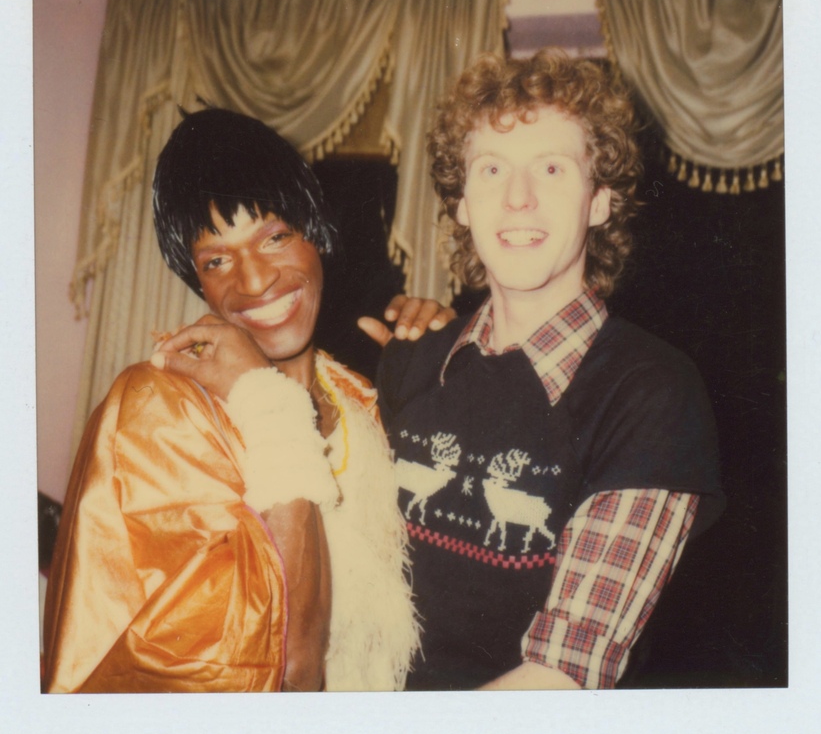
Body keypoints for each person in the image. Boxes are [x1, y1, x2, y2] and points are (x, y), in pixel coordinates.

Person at [373, 50, 725, 691]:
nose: (518, 197)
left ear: (599, 201)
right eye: (491, 168)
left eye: (553, 168)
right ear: (462, 205)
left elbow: (561, 677)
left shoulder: (652, 393)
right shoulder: (411, 360)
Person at [43, 107, 419, 693]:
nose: (253, 281)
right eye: (217, 260)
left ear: (316, 235)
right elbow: (285, 665)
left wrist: (455, 366)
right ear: (198, 282)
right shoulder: (159, 410)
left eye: (273, 237)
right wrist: (269, 405)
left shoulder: (357, 398)